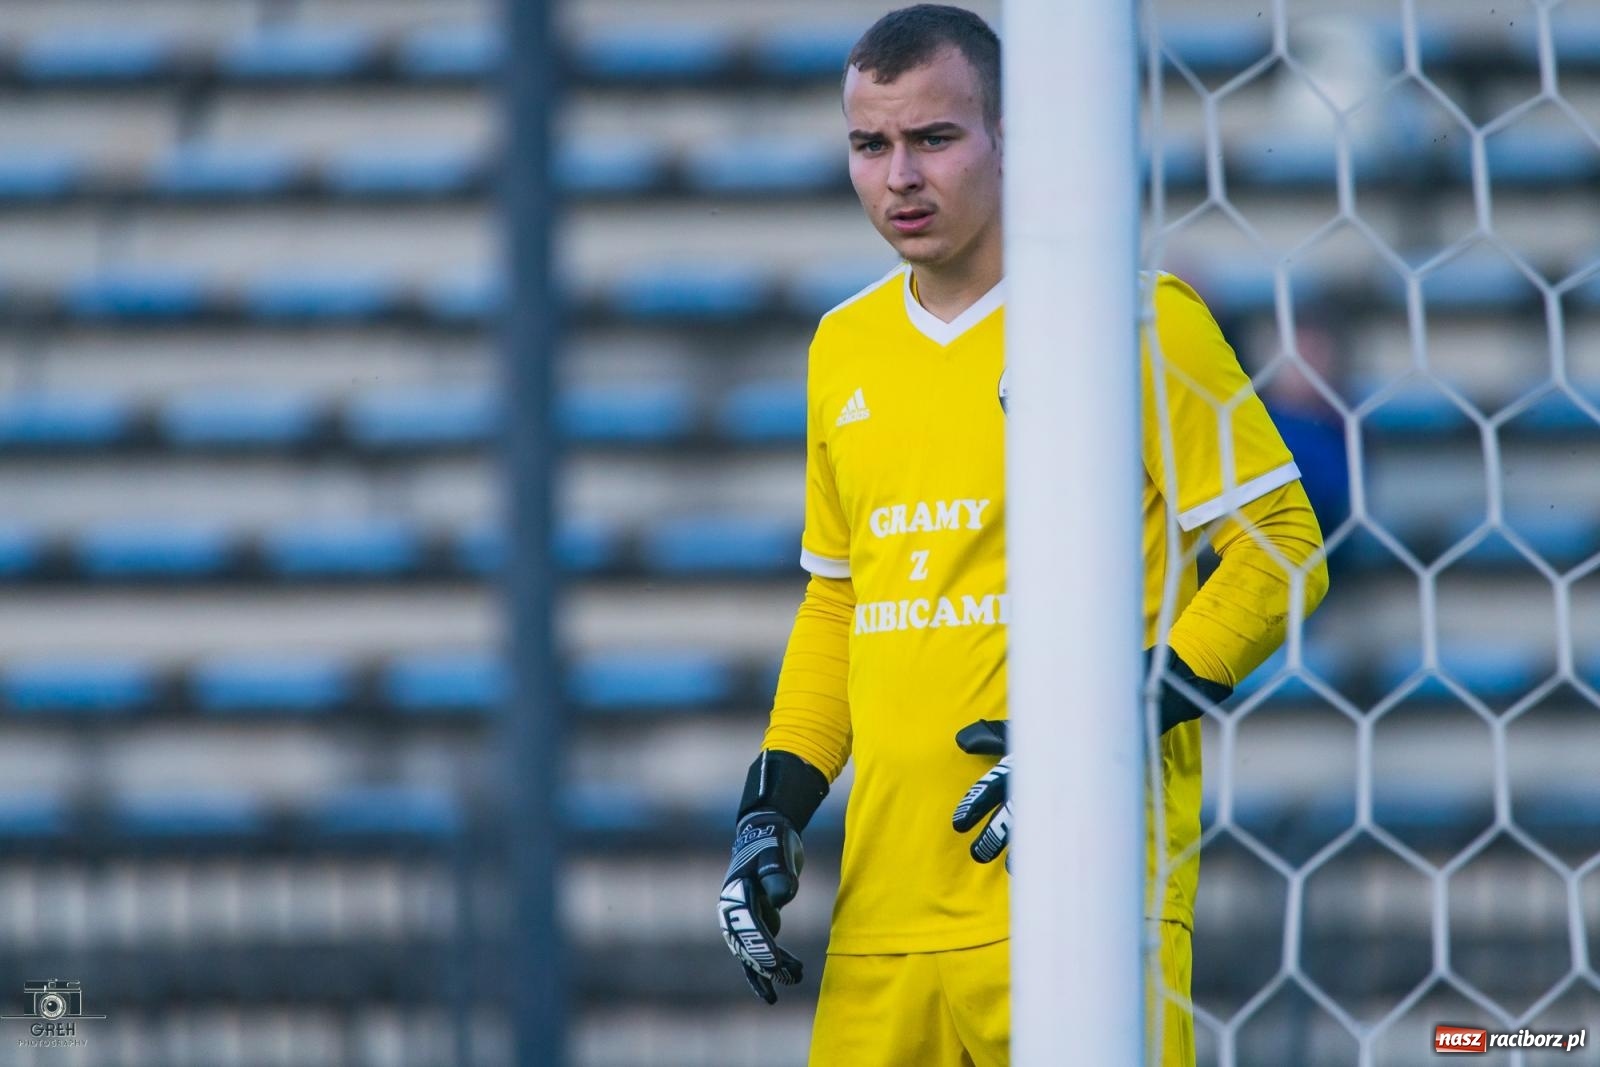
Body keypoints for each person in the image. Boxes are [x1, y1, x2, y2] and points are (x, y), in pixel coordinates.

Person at [715, 6, 1330, 1065]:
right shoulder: (843, 345)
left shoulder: (1137, 320)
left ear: (1013, 137)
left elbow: (1282, 543)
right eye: (870, 144)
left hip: (1078, 903)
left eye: (934, 138)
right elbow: (840, 599)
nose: (900, 176)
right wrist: (772, 805)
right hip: (882, 921)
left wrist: (1108, 722)